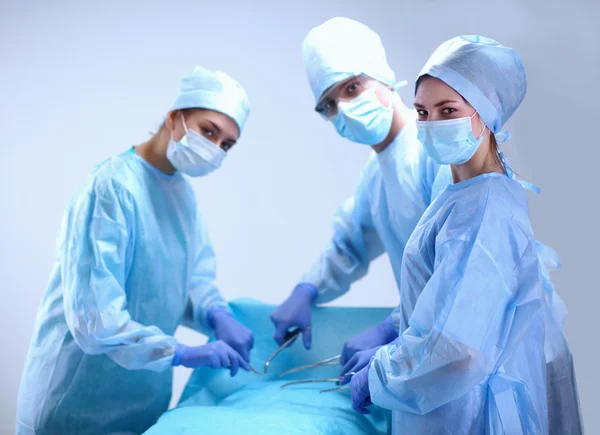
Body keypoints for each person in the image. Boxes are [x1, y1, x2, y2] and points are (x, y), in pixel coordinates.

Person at [350, 35, 583, 434]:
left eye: (449, 110)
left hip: (467, 411)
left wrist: (381, 374)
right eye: (422, 112)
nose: (431, 124)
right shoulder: (462, 196)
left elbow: (460, 351)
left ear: (485, 115)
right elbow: (446, 306)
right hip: (452, 403)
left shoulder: (485, 207)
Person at [16, 66, 255, 435]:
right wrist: (180, 352)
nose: (215, 149)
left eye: (226, 144)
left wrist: (216, 313)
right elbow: (94, 319)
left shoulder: (181, 195)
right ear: (175, 117)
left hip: (142, 401)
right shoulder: (113, 187)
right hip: (75, 401)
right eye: (208, 130)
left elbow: (185, 280)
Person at [270, 17, 452, 376]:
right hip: (436, 347)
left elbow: (459, 268)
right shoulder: (376, 176)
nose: (342, 107)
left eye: (351, 88)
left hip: (487, 345)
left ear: (382, 77)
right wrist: (307, 288)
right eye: (328, 104)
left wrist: (393, 328)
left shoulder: (438, 151)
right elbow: (350, 247)